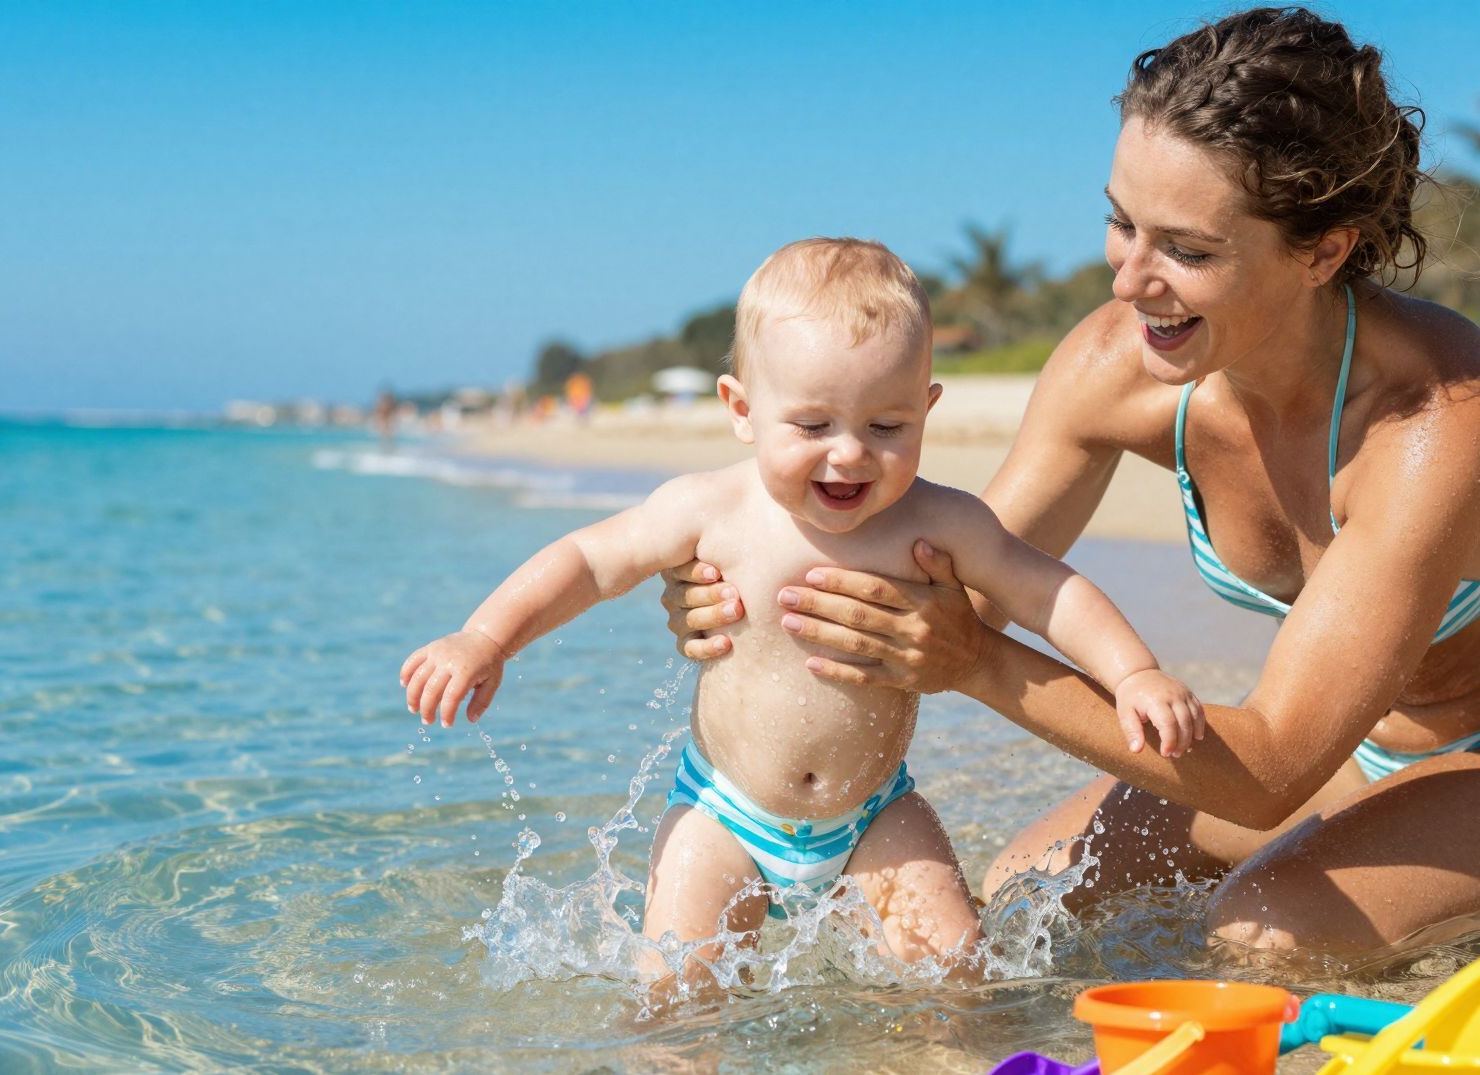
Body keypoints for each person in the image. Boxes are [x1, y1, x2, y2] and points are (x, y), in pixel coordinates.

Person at [659, 9, 1480, 966]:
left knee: (1267, 929)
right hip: (1345, 750)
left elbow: (1272, 760)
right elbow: (932, 582)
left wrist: (974, 665)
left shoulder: (1434, 421)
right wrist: (750, 588)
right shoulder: (1120, 366)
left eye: (1185, 251)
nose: (1127, 279)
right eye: (1121, 224)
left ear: (1323, 251)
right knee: (1031, 894)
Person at [399, 238, 1202, 988]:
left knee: (957, 974)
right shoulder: (710, 509)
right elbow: (587, 561)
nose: (849, 452)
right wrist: (486, 637)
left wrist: (1132, 672)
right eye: (813, 425)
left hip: (876, 812)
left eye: (887, 426)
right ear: (741, 409)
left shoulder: (943, 522)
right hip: (724, 813)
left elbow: (1048, 590)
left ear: (927, 406)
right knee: (676, 993)